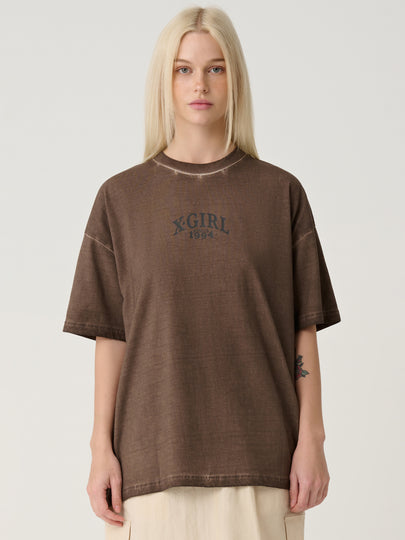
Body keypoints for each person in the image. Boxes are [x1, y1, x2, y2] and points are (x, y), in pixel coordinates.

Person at [62, 6, 341, 540]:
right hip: (150, 470)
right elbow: (111, 336)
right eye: (183, 69)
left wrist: (313, 439)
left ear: (235, 78)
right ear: (163, 81)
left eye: (216, 68)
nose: (200, 84)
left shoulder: (280, 194)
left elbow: (301, 328)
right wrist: (100, 448)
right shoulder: (120, 199)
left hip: (263, 467)